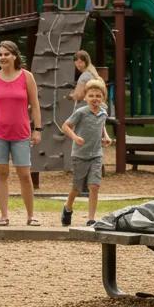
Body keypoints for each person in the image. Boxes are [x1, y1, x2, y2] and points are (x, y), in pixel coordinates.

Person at [0, 40, 42, 226]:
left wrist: (37, 129)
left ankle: (31, 215)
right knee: (2, 173)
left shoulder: (27, 77)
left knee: (24, 174)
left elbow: (35, 105)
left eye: (6, 54)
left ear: (15, 56)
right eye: (0, 54)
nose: (3, 57)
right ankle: (3, 215)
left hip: (22, 133)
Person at [60, 79, 112, 227]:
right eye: (91, 95)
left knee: (94, 186)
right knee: (76, 188)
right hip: (80, 155)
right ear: (85, 97)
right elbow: (65, 126)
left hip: (96, 154)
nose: (95, 98)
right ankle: (67, 207)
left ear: (102, 98)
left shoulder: (103, 111)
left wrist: (106, 136)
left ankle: (91, 219)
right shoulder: (81, 112)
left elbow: (101, 125)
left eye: (98, 96)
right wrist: (75, 137)